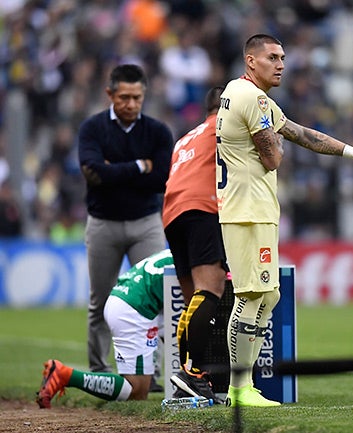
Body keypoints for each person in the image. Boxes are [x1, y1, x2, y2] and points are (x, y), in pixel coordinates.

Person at [216, 34, 353, 407]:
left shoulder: (241, 94)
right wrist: (271, 142)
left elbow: (299, 134)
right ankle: (239, 389)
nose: (280, 64)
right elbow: (274, 158)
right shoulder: (252, 98)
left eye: (283, 57)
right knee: (251, 295)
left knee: (269, 294)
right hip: (247, 211)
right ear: (250, 61)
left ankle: (242, 388)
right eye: (272, 57)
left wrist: (352, 152)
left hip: (252, 210)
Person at [77, 64, 173, 391]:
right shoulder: (92, 128)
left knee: (158, 299)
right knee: (100, 301)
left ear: (144, 95)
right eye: (124, 97)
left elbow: (162, 179)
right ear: (110, 94)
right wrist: (138, 167)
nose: (131, 104)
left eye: (137, 97)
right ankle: (100, 370)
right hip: (103, 224)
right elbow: (92, 173)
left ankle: (155, 375)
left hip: (146, 223)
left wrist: (113, 172)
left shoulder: (158, 132)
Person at [36, 249, 197, 408]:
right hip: (134, 309)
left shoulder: (182, 250)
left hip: (133, 302)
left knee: (182, 351)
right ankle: (64, 375)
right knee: (137, 391)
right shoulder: (199, 260)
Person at [162, 86, 233, 401]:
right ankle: (191, 372)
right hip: (202, 208)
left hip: (172, 213)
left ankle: (189, 379)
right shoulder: (224, 125)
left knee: (193, 300)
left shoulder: (185, 138)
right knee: (211, 288)